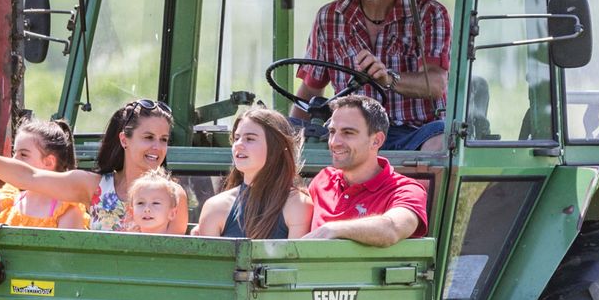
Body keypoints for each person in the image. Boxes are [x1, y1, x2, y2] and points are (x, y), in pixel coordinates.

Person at [289, 0, 451, 150]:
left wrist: (388, 78)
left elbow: (436, 84)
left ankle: (414, 184)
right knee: (278, 133)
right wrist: (288, 138)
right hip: (348, 135)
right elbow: (311, 90)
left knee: (441, 139)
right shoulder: (329, 17)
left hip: (411, 134)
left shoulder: (430, 14)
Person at [0, 98, 172, 232]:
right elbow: (30, 177)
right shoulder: (94, 186)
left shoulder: (173, 195)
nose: (157, 148)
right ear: (124, 140)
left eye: (163, 140)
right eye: (148, 138)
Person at [300, 94, 428, 245]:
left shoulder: (406, 190)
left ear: (376, 141)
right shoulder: (323, 179)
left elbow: (392, 228)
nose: (334, 142)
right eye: (333, 132)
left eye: (348, 133)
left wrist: (332, 230)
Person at [195, 105, 311, 239]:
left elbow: (294, 259)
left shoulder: (298, 204)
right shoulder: (215, 207)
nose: (238, 144)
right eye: (236, 138)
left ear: (276, 147)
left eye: (250, 139)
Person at [123, 169, 189, 236]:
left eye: (155, 203)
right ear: (132, 212)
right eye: (140, 203)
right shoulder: (126, 242)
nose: (147, 209)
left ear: (171, 213)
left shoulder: (174, 244)